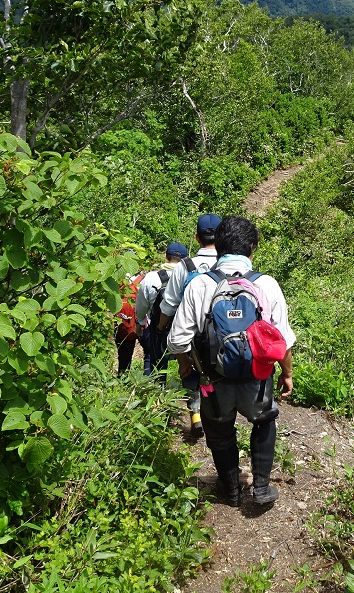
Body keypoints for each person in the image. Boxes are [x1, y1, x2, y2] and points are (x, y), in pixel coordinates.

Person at [168, 216, 295, 507]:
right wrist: (286, 374)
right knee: (264, 421)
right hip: (257, 379)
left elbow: (177, 339)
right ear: (252, 248)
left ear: (218, 247)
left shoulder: (201, 284)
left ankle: (231, 489)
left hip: (214, 381)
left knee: (220, 431)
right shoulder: (266, 284)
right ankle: (261, 488)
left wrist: (185, 364)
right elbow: (282, 339)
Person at [157, 213, 222, 437]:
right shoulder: (229, 263)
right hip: (222, 334)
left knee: (190, 372)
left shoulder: (186, 265)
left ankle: (195, 415)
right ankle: (220, 416)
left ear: (196, 238)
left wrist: (160, 327)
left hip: (191, 334)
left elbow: (170, 304)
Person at [134, 242, 188, 378]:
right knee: (189, 364)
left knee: (156, 361)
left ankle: (154, 392)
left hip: (159, 327)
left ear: (165, 256)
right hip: (185, 328)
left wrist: (140, 322)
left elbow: (141, 306)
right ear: (186, 259)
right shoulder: (191, 276)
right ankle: (188, 395)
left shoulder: (151, 278)